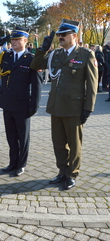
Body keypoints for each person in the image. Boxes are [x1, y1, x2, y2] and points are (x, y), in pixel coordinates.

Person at [30, 19, 98, 190]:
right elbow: (35, 65)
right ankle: (62, 171)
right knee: (58, 143)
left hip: (74, 108)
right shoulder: (55, 54)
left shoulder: (85, 54)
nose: (60, 37)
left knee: (74, 144)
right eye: (59, 35)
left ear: (74, 36)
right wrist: (43, 49)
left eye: (64, 34)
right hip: (56, 106)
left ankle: (72, 174)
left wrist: (88, 107)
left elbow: (92, 84)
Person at [0, 26, 42, 176]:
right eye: (12, 39)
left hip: (23, 105)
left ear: (25, 41)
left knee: (23, 137)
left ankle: (21, 165)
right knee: (11, 136)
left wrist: (34, 106)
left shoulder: (31, 59)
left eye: (17, 39)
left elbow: (37, 85)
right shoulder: (5, 56)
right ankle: (12, 162)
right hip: (7, 103)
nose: (14, 42)